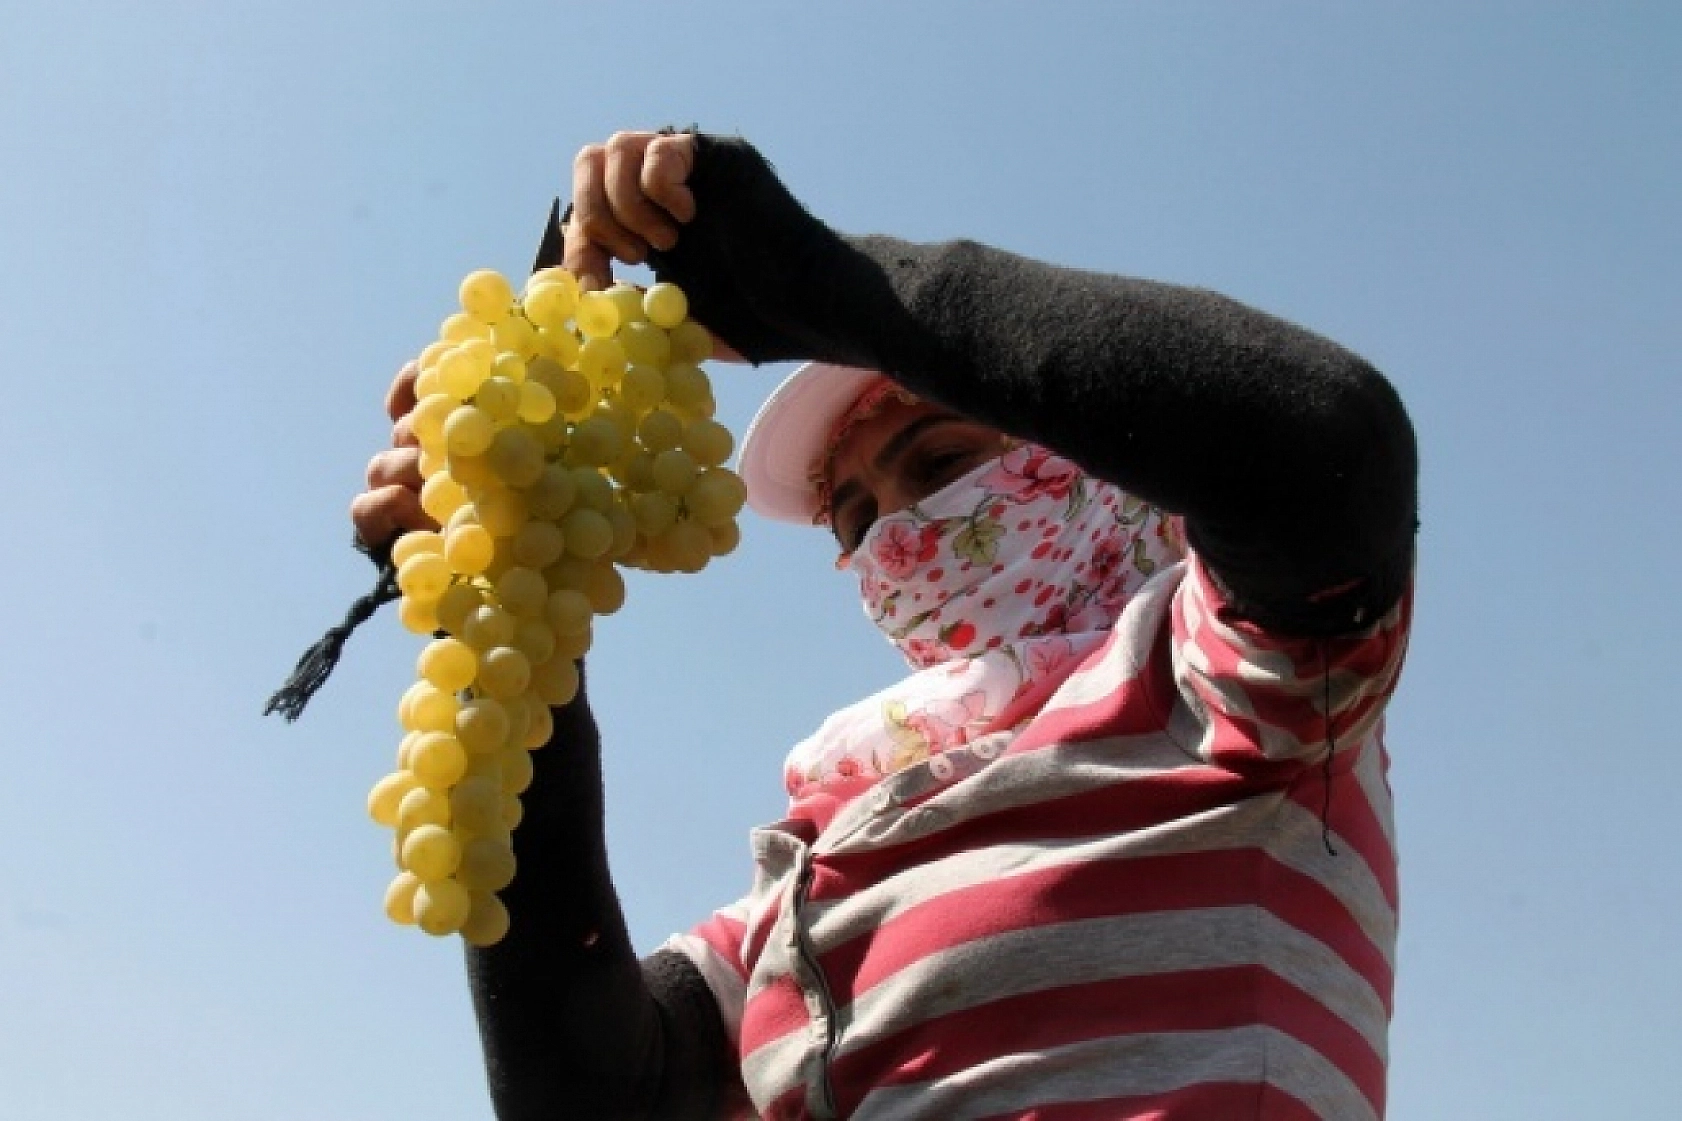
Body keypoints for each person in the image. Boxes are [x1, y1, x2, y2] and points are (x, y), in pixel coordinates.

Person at [352, 129, 1417, 1120]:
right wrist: (519, 607)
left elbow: (1321, 445)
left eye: (942, 461)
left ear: (1108, 462)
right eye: (853, 513)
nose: (900, 530)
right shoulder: (828, 841)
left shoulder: (1234, 688)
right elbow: (595, 1093)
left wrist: (819, 280)